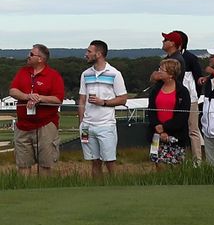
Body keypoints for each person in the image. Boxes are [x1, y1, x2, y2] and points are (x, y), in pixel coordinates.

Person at [8, 44, 65, 176]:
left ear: (40, 59)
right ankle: (23, 192)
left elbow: (58, 99)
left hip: (45, 126)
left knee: (45, 164)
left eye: (31, 54)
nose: (28, 56)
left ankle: (44, 192)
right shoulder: (23, 71)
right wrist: (27, 96)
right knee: (23, 164)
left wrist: (40, 98)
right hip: (23, 126)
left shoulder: (53, 76)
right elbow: (13, 90)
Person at [77, 40, 128, 178]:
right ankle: (96, 191)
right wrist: (82, 122)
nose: (86, 54)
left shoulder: (114, 73)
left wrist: (103, 102)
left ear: (98, 54)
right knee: (94, 161)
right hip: (87, 126)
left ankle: (116, 188)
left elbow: (123, 98)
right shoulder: (85, 74)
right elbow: (82, 99)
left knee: (110, 161)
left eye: (89, 51)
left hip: (106, 125)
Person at [147, 59, 191, 167]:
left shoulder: (182, 92)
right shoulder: (155, 89)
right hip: (156, 134)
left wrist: (165, 128)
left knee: (176, 166)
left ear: (171, 74)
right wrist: (157, 126)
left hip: (176, 135)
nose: (159, 71)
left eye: (162, 70)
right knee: (158, 165)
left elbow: (183, 115)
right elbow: (151, 110)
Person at [172, 30, 204, 163]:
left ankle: (197, 161)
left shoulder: (190, 58)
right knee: (178, 129)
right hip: (174, 100)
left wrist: (193, 95)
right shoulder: (170, 58)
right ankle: (179, 159)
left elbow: (199, 79)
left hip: (191, 99)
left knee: (193, 130)